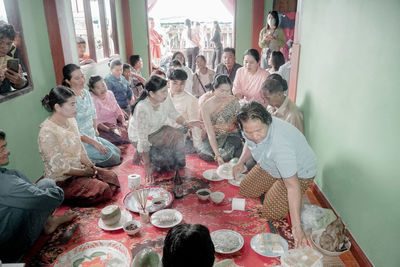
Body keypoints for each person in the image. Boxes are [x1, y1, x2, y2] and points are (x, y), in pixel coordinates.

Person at [232, 101, 317, 248]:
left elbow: (292, 186)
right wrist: (240, 162)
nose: (255, 136)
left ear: (268, 121)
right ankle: (276, 184)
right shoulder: (250, 129)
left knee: (271, 212)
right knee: (245, 189)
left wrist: (296, 227)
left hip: (300, 172)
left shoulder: (280, 145)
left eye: (258, 131)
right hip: (269, 163)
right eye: (249, 132)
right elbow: (249, 142)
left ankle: (278, 186)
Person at [0, 129, 75, 263]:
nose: (7, 151)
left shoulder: (7, 179)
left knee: (16, 175)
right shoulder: (6, 185)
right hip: (11, 251)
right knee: (48, 185)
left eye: (4, 147)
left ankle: (48, 221)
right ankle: (47, 222)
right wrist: (59, 191)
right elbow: (49, 199)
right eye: (1, 149)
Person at [38, 86, 120, 206]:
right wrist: (85, 173)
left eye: (75, 104)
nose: (75, 108)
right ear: (57, 107)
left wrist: (89, 165)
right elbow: (60, 169)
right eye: (72, 105)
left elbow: (80, 148)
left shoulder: (71, 121)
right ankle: (59, 196)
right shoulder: (47, 132)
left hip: (79, 169)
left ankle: (85, 184)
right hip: (62, 179)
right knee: (103, 190)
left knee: (113, 178)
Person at [128, 75, 202, 183]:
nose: (166, 94)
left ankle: (173, 161)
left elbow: (174, 113)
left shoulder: (164, 98)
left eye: (165, 90)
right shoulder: (142, 108)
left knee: (178, 135)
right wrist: (147, 167)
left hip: (157, 129)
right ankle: (141, 154)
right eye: (162, 92)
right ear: (151, 94)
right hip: (140, 137)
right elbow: (143, 139)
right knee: (159, 164)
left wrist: (187, 123)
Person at [62, 64, 121, 167]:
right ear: (68, 81)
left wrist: (95, 129)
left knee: (117, 152)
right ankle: (84, 161)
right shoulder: (69, 100)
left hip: (92, 135)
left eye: (82, 76)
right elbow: (74, 131)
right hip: (82, 142)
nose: (82, 80)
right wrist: (94, 143)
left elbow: (93, 113)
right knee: (113, 158)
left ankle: (91, 159)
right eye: (77, 78)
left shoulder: (85, 92)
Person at [198, 75, 242, 164]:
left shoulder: (233, 101)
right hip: (215, 137)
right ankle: (224, 153)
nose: (225, 94)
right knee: (205, 153)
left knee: (226, 154)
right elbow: (210, 133)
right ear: (215, 88)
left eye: (228, 91)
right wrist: (217, 155)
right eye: (222, 91)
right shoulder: (206, 106)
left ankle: (230, 152)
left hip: (231, 135)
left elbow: (241, 124)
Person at [89, 75, 130, 145]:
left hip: (115, 125)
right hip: (102, 128)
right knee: (119, 138)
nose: (102, 89)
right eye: (98, 88)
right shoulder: (93, 100)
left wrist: (123, 122)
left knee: (130, 131)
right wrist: (108, 129)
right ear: (92, 90)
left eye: (103, 85)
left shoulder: (110, 93)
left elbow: (117, 110)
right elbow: (96, 122)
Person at [168, 69, 202, 150]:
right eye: (175, 83)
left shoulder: (190, 100)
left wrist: (197, 146)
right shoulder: (163, 95)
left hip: (179, 135)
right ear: (169, 82)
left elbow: (195, 125)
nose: (179, 87)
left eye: (182, 83)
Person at [0, 21, 28, 95]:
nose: (5, 48)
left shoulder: (12, 51)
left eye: (9, 43)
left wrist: (20, 82)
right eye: (0, 42)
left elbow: (24, 82)